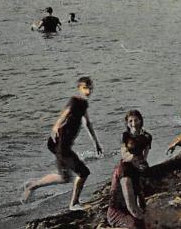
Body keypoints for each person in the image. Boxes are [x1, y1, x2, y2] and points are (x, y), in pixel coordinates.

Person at [22, 77, 103, 210]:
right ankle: (74, 204)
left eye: (90, 88)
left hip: (63, 145)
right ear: (79, 88)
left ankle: (32, 185)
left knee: (64, 177)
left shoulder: (83, 103)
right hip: (61, 144)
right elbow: (63, 115)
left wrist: (96, 143)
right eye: (85, 88)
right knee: (83, 173)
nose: (88, 91)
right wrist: (55, 127)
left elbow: (87, 123)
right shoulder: (74, 101)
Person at [107, 136, 147, 229]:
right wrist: (142, 220)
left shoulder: (136, 166)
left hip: (130, 209)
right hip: (117, 212)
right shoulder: (125, 172)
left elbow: (139, 194)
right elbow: (131, 207)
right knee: (136, 226)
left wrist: (144, 211)